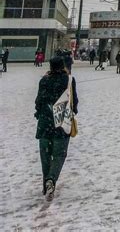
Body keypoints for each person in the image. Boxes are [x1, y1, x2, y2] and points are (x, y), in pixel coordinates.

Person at [34, 56, 78, 201]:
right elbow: (74, 102)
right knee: (59, 155)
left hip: (45, 123)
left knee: (45, 156)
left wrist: (40, 112)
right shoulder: (69, 80)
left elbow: (38, 101)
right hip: (61, 123)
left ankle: (46, 184)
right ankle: (51, 180)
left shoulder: (44, 80)